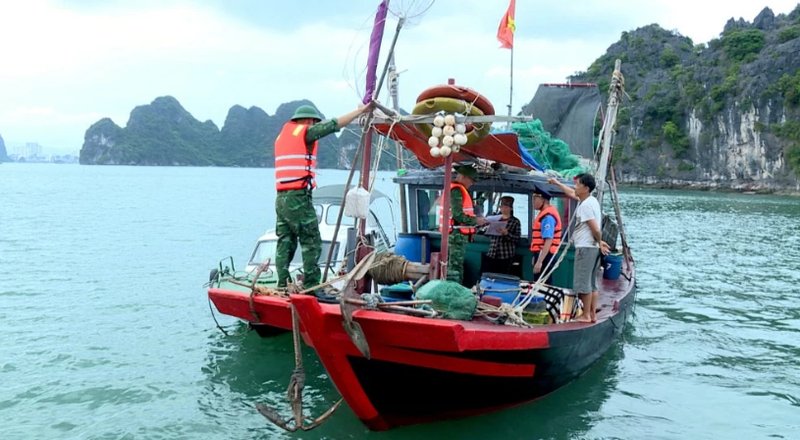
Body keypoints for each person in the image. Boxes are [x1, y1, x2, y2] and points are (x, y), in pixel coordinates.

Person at [274, 103, 372, 290]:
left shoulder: (282, 136)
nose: (313, 124)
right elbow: (334, 124)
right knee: (311, 241)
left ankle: (282, 283)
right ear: (308, 121)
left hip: (281, 198)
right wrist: (360, 110)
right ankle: (312, 286)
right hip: (298, 198)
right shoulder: (306, 132)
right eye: (312, 121)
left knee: (285, 242)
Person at [547, 174, 609, 323]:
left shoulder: (586, 206)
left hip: (586, 248)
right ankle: (592, 314)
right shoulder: (591, 200)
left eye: (578, 184)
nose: (575, 187)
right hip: (592, 248)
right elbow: (570, 192)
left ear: (586, 188)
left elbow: (595, 229)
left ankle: (586, 315)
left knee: (583, 283)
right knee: (592, 283)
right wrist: (556, 183)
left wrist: (600, 241)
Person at [438, 165, 487, 284]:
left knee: (453, 265)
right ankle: (454, 290)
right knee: (455, 267)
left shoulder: (455, 189)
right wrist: (476, 221)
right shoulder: (456, 191)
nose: (472, 183)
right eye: (471, 180)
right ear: (464, 177)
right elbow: (457, 215)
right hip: (456, 235)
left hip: (455, 234)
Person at [530, 189, 562, 285]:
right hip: (541, 254)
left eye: (535, 200)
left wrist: (539, 261)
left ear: (542, 200)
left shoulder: (547, 217)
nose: (533, 203)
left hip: (545, 255)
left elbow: (548, 240)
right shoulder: (545, 214)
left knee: (542, 284)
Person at [485, 196, 521, 275]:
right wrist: (487, 227)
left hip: (505, 254)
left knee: (503, 276)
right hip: (492, 253)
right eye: (501, 207)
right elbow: (486, 234)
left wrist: (507, 234)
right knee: (488, 275)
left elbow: (517, 238)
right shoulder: (495, 219)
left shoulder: (515, 221)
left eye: (506, 207)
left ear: (510, 208)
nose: (503, 209)